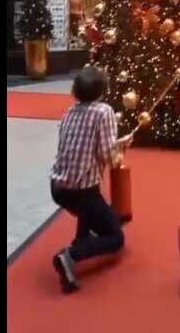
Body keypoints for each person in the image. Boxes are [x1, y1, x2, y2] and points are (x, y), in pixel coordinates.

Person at [48, 66, 134, 293]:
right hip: (81, 191)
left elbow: (83, 146)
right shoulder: (104, 111)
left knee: (90, 204)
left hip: (58, 187)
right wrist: (121, 147)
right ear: (102, 90)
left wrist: (117, 140)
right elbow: (107, 156)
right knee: (115, 237)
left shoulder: (70, 111)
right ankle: (70, 256)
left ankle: (81, 239)